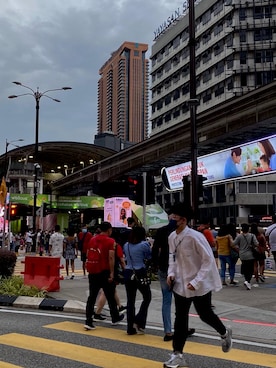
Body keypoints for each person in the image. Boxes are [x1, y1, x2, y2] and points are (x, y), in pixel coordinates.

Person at [164, 203, 232, 368]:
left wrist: (196, 281)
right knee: (180, 319)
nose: (171, 219)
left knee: (205, 314)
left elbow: (208, 260)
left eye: (174, 217)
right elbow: (172, 258)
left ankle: (224, 333)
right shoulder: (172, 236)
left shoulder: (195, 236)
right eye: (170, 216)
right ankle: (177, 354)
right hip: (180, 285)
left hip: (198, 285)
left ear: (183, 220)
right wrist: (170, 274)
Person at [152, 210, 195, 341]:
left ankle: (168, 331)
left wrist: (155, 265)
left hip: (164, 268)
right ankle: (183, 328)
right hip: (179, 269)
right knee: (182, 301)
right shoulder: (182, 231)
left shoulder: (161, 231)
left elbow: (154, 249)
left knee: (166, 301)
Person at [83, 221, 124, 330]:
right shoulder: (110, 241)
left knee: (92, 296)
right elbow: (111, 258)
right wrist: (111, 273)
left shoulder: (92, 239)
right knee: (110, 295)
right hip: (104, 271)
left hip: (93, 271)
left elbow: (88, 254)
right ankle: (115, 317)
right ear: (109, 230)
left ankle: (88, 320)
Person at [123, 226, 152, 335]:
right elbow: (149, 257)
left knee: (130, 301)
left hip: (128, 272)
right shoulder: (144, 245)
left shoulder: (126, 245)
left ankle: (130, 328)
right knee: (147, 297)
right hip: (140, 272)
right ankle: (139, 320)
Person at [233, 223, 258, 290]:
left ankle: (246, 280)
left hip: (242, 254)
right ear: (248, 229)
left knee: (245, 266)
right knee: (250, 268)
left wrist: (238, 248)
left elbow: (233, 243)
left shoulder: (239, 236)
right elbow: (256, 244)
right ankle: (248, 281)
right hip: (250, 254)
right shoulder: (252, 235)